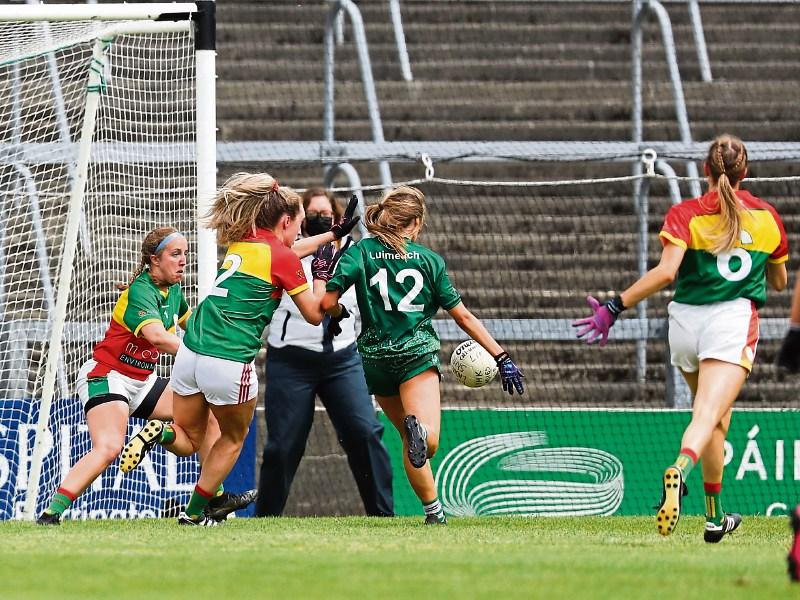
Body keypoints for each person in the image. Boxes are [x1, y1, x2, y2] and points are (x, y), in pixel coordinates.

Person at [573, 134, 788, 541]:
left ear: (706, 170)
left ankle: (715, 517)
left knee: (717, 419)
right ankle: (679, 470)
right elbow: (778, 283)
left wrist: (614, 306)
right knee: (706, 415)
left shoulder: (685, 213)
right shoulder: (767, 217)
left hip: (685, 325)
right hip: (731, 322)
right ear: (745, 173)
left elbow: (667, 273)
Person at [120, 172, 359, 525]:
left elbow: (288, 250)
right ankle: (193, 514)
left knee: (188, 438)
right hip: (229, 360)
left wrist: (332, 235)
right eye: (300, 225)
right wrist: (322, 272)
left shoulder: (244, 241)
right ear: (286, 221)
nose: (301, 232)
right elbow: (313, 313)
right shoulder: (283, 258)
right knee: (234, 437)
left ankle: (160, 431)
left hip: (190, 353)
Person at [320, 185, 525, 525]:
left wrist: (338, 312)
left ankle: (434, 513)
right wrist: (501, 356)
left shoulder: (361, 253)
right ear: (415, 223)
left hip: (375, 359)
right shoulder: (430, 262)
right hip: (415, 355)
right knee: (425, 442)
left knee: (406, 437)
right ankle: (422, 433)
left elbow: (327, 304)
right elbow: (463, 317)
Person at [36, 227, 248, 525]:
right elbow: (160, 338)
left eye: (185, 254)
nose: (183, 260)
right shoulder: (140, 291)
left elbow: (194, 325)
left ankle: (212, 497)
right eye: (175, 254)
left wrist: (229, 336)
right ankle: (50, 514)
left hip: (142, 381)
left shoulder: (173, 290)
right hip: (108, 375)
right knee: (110, 447)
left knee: (208, 415)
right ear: (154, 260)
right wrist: (206, 355)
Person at [255, 187, 394, 517]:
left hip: (342, 359)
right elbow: (316, 306)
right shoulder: (289, 252)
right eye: (312, 214)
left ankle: (384, 517)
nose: (320, 219)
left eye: (326, 215)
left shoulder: (357, 254)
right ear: (301, 220)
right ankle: (265, 520)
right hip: (291, 359)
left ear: (339, 219)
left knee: (365, 433)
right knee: (283, 445)